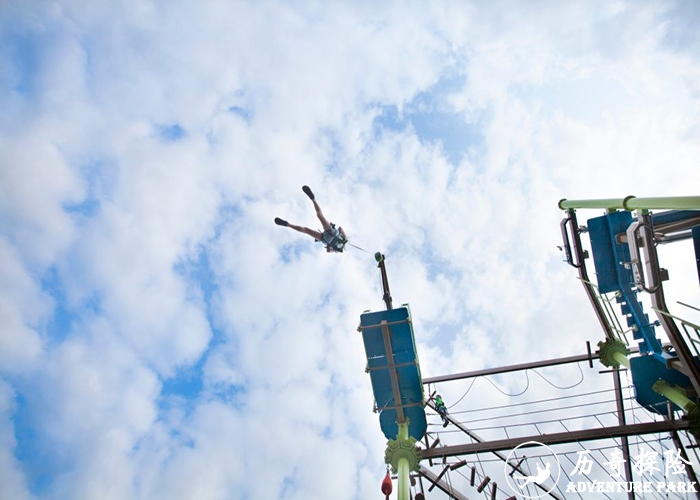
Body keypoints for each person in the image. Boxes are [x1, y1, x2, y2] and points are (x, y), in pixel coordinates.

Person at [275, 186, 347, 253]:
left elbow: (340, 228)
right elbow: (328, 251)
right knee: (306, 230)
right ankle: (288, 224)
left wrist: (344, 237)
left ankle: (313, 199)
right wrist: (333, 248)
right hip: (326, 239)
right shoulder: (338, 249)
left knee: (320, 215)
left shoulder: (343, 240)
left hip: (332, 233)